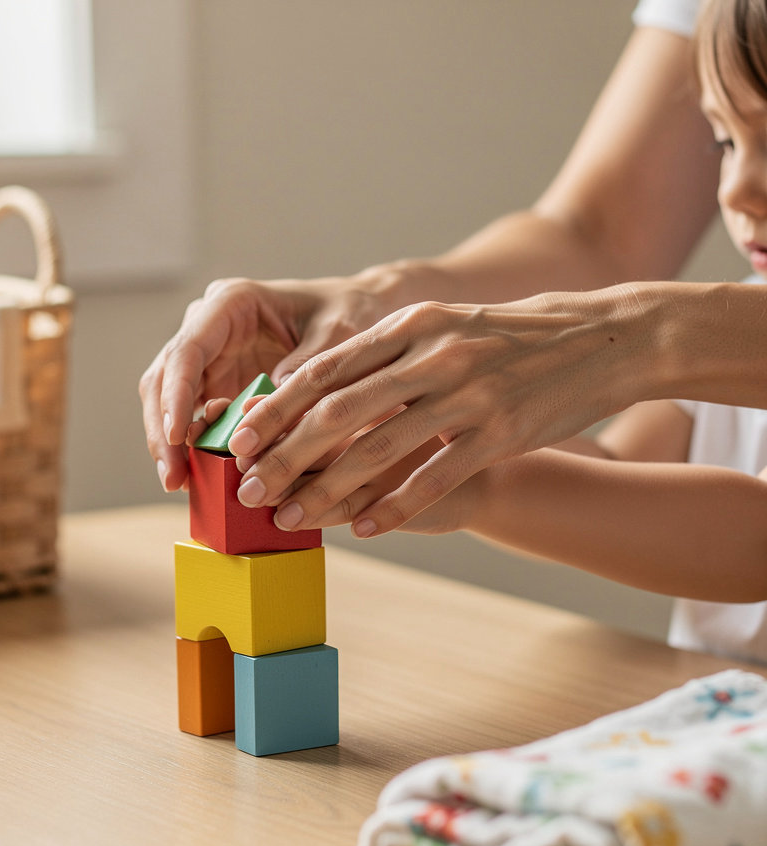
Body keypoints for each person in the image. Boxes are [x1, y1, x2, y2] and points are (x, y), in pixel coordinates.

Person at [140, 0, 767, 542]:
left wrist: (473, 487)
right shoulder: (722, 354)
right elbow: (628, 480)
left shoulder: (717, 340)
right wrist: (411, 452)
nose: (736, 189)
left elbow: (745, 548)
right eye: (722, 142)